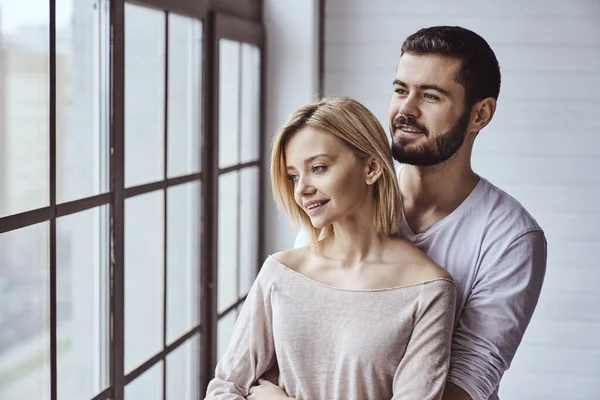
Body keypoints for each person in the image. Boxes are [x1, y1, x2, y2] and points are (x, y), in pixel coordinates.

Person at [278, 26, 547, 400]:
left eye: (430, 96)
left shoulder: (510, 237)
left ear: (480, 114)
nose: (405, 109)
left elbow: (468, 380)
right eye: (401, 90)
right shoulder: (339, 200)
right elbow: (293, 336)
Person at [204, 97, 456, 400]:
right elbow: (223, 390)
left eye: (319, 168)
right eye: (294, 176)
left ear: (372, 168)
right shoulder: (280, 273)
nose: (302, 189)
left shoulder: (427, 290)